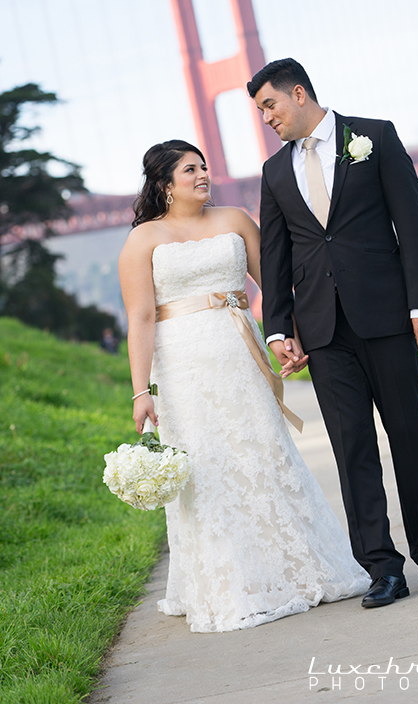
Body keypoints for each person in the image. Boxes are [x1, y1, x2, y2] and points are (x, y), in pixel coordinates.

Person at [118, 139, 369, 633]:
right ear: (166, 185)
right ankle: (231, 584)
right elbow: (141, 316)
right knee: (207, 466)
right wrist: (141, 390)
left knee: (262, 452)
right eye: (191, 170)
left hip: (239, 352)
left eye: (205, 166)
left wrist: (288, 335)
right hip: (183, 365)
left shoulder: (234, 220)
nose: (203, 175)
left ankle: (299, 570)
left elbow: (274, 286)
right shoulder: (142, 240)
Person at [247, 58, 418, 609]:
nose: (266, 117)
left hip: (387, 317)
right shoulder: (273, 172)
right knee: (351, 449)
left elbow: (412, 224)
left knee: (409, 434)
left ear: (298, 93)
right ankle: (382, 568)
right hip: (323, 331)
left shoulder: (375, 138)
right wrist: (277, 331)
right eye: (260, 110)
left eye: (269, 104)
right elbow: (276, 258)